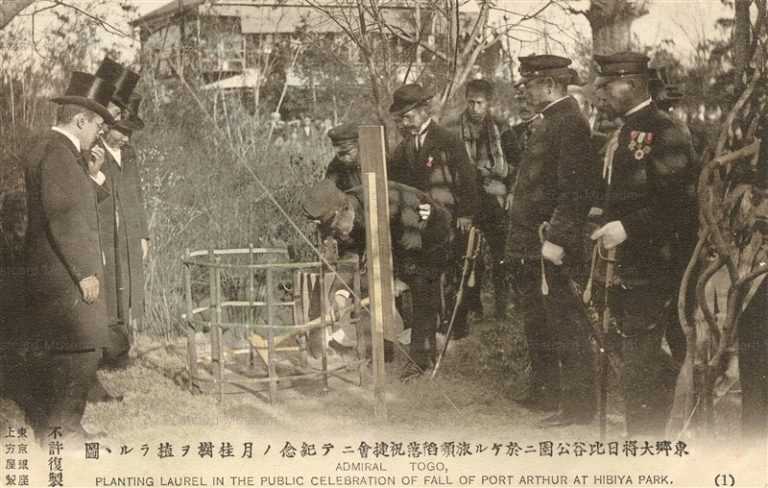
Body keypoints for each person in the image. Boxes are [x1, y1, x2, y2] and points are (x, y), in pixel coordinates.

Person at [591, 52, 695, 437]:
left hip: (659, 266)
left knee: (642, 362)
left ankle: (646, 448)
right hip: (632, 265)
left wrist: (628, 228)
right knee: (638, 358)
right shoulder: (626, 129)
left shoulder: (664, 131)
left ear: (632, 85)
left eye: (608, 84)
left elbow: (680, 206)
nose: (602, 91)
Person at [11, 71, 115, 441]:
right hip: (65, 274)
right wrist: (86, 271)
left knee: (73, 351)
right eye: (98, 125)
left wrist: (94, 175)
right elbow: (64, 216)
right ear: (80, 119)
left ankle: (66, 427)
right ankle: (62, 431)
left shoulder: (56, 150)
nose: (100, 133)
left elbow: (74, 200)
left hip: (52, 271)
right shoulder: (58, 152)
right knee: (80, 350)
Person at [507, 54, 599, 427]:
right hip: (536, 241)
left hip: (553, 243)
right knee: (542, 320)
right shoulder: (552, 121)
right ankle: (549, 391)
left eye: (529, 84)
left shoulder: (570, 124)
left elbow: (575, 191)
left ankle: (578, 407)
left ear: (549, 85)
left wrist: (558, 239)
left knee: (567, 322)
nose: (525, 91)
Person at [303, 179, 453, 381]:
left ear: (344, 210)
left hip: (430, 235)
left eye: (335, 226)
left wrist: (399, 281)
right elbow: (350, 258)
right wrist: (338, 294)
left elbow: (413, 246)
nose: (336, 233)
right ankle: (381, 351)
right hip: (398, 240)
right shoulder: (346, 213)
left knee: (422, 289)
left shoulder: (388, 205)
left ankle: (421, 362)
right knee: (365, 284)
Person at [387, 83, 480, 344]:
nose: (405, 123)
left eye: (408, 116)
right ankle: (428, 332)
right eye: (401, 118)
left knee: (451, 276)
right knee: (424, 278)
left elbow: (468, 180)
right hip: (417, 223)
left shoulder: (447, 140)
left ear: (424, 110)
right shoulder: (403, 148)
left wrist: (466, 214)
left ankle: (454, 330)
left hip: (448, 220)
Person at [91, 58, 147, 378]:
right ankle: (105, 351)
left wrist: (142, 235)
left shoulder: (129, 154)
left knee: (128, 290)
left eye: (129, 132)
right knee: (108, 290)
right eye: (122, 131)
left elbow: (137, 196)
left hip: (127, 233)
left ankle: (122, 348)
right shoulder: (94, 151)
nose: (126, 137)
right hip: (102, 235)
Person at [454, 79, 521, 320]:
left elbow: (517, 164)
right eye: (470, 102)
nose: (474, 108)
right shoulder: (454, 129)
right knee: (469, 255)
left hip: (495, 201)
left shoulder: (501, 128)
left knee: (500, 253)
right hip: (466, 201)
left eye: (479, 103)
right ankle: (473, 307)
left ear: (488, 103)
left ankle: (503, 306)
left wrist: (510, 191)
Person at [324, 122, 362, 191]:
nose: (344, 157)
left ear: (358, 146)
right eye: (340, 154)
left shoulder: (371, 160)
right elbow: (329, 188)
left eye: (348, 152)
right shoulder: (335, 165)